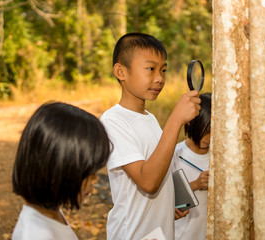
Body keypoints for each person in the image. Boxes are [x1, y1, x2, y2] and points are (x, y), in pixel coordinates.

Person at [100, 32, 201, 240]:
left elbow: (160, 173)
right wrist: (175, 120)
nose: (159, 78)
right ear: (121, 71)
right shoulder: (113, 121)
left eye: (163, 70)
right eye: (150, 69)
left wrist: (168, 204)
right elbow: (148, 182)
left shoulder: (151, 119)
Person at [11, 102, 112, 240]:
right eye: (88, 172)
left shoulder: (51, 214)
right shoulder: (37, 234)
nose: (95, 179)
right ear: (60, 170)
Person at [173, 92, 211, 240]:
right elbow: (169, 203)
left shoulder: (219, 156)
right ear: (191, 122)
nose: (210, 137)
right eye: (206, 130)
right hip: (181, 235)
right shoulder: (176, 154)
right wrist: (196, 184)